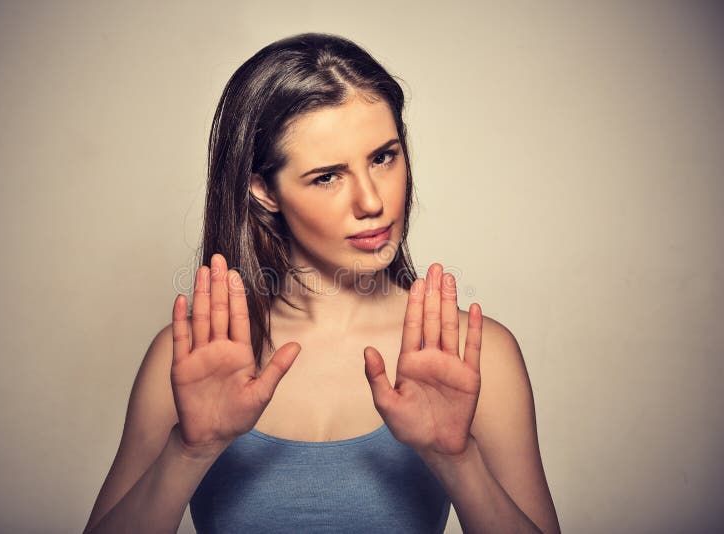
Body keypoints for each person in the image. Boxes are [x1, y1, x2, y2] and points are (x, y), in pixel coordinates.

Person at [84, 32, 560, 533]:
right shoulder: (190, 356)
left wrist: (458, 461)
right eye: (328, 176)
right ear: (264, 188)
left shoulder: (472, 352)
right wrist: (189, 451)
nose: (372, 201)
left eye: (383, 157)